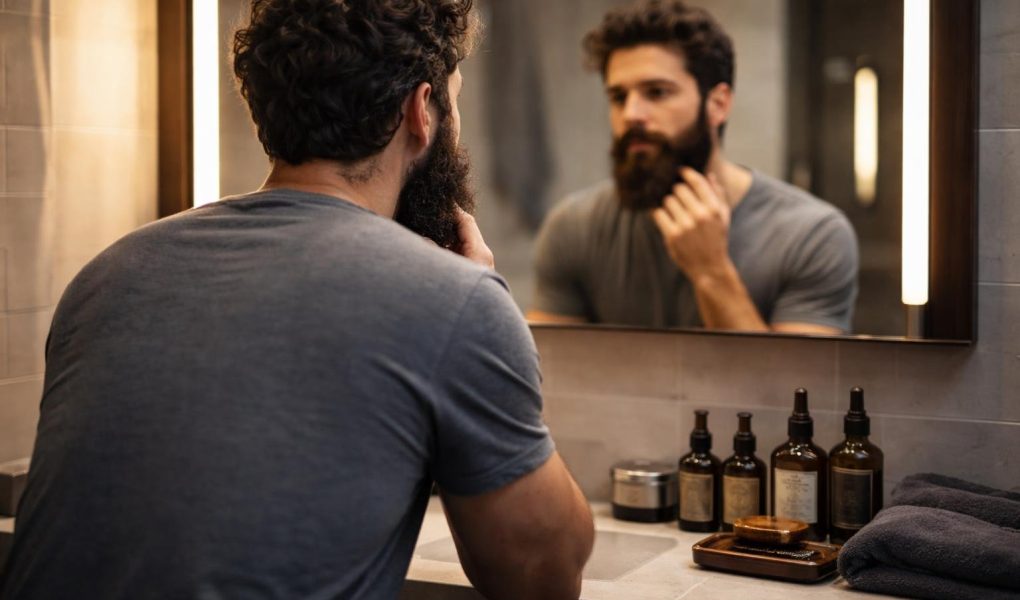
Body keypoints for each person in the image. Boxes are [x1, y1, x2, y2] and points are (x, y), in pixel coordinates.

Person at [0, 1, 594, 598]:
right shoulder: (452, 299)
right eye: (452, 101)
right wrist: (475, 310)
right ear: (420, 111)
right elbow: (543, 577)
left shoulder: (106, 276)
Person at [528, 0, 858, 334]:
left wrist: (710, 271)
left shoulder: (813, 236)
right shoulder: (574, 227)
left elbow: (796, 385)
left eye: (656, 92)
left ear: (718, 104)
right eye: (618, 97)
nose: (631, 114)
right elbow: (546, 373)